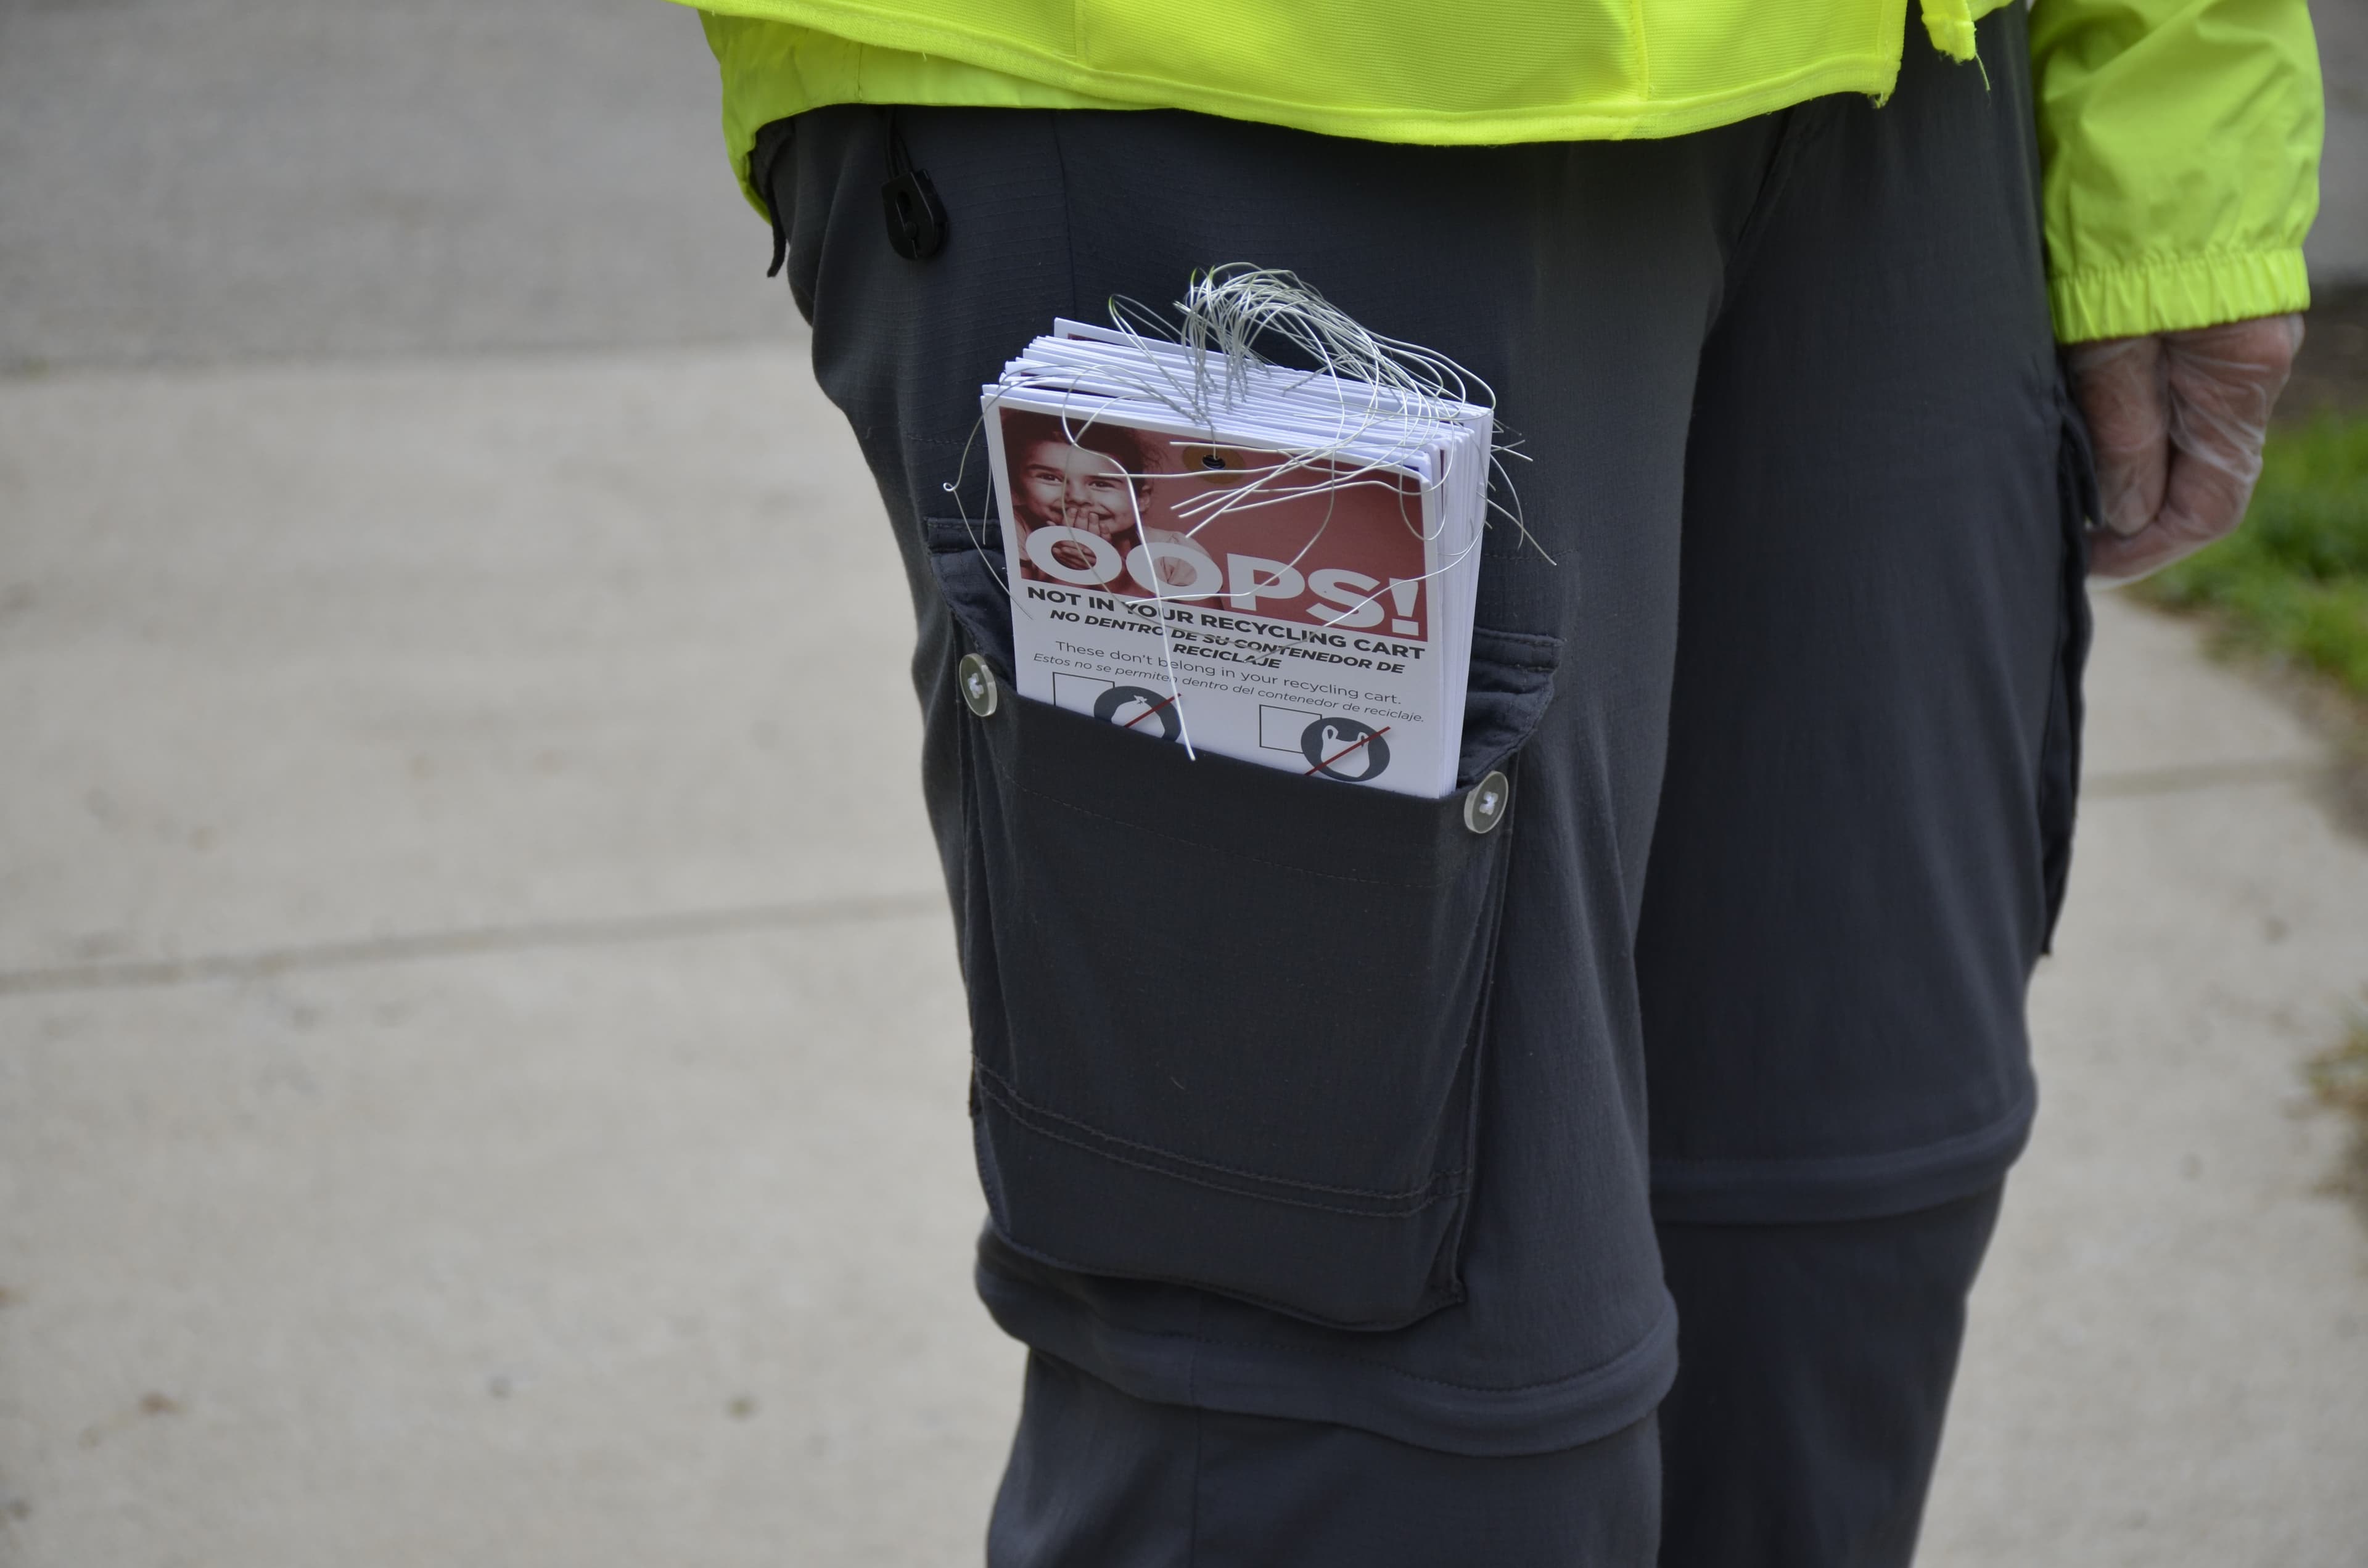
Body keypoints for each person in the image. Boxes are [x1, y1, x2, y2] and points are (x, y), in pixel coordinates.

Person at [680, 1, 2322, 1562]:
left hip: (1905, 101)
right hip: (1224, 82)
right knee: (1375, 1418)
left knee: (1831, 1248)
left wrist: (2182, 92)